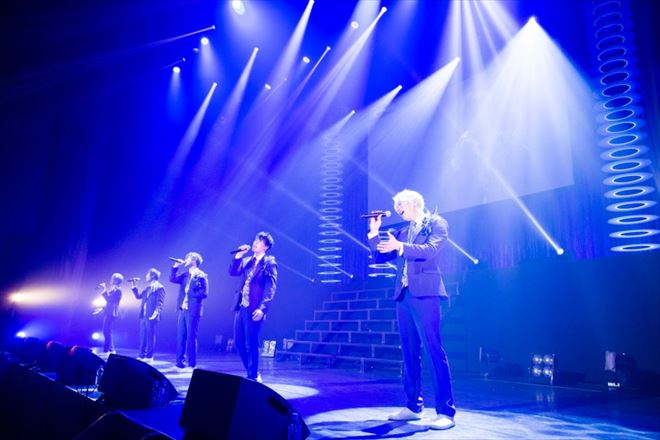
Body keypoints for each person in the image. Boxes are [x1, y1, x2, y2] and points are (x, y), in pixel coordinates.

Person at [367, 189, 456, 430]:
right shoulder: (402, 231)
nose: (397, 209)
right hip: (404, 295)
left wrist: (401, 247)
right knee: (409, 351)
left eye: (400, 205)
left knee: (433, 349)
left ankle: (446, 411)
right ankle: (413, 406)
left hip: (426, 293)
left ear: (414, 203)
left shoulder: (437, 223)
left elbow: (430, 250)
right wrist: (374, 232)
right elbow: (379, 256)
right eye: (396, 206)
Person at [229, 232, 277, 382]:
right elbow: (233, 272)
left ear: (266, 247)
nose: (255, 242)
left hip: (255, 308)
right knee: (238, 342)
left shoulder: (269, 263)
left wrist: (263, 309)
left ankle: (253, 375)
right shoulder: (247, 261)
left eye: (260, 241)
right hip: (241, 306)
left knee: (252, 342)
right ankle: (252, 371)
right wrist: (239, 256)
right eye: (256, 239)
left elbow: (270, 288)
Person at [170, 252, 208, 371]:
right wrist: (175, 267)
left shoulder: (201, 275)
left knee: (191, 337)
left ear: (194, 260)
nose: (185, 259)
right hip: (183, 309)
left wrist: (190, 292)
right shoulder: (185, 274)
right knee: (181, 336)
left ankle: (191, 364)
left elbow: (204, 293)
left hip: (193, 310)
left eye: (188, 258)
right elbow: (172, 279)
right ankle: (179, 363)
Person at [130, 268, 166, 362]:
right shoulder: (148, 288)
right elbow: (138, 296)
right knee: (142, 336)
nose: (146, 276)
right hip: (144, 315)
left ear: (152, 276)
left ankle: (149, 356)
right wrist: (134, 285)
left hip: (151, 315)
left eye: (147, 274)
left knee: (150, 336)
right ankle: (141, 355)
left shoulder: (160, 288)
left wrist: (156, 313)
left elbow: (160, 302)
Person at [98, 273, 123, 354]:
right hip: (108, 312)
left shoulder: (118, 290)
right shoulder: (114, 290)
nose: (111, 280)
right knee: (107, 331)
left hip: (111, 313)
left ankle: (108, 350)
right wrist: (102, 309)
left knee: (106, 331)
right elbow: (109, 303)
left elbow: (109, 300)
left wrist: (104, 289)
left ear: (116, 281)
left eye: (112, 279)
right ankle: (110, 349)